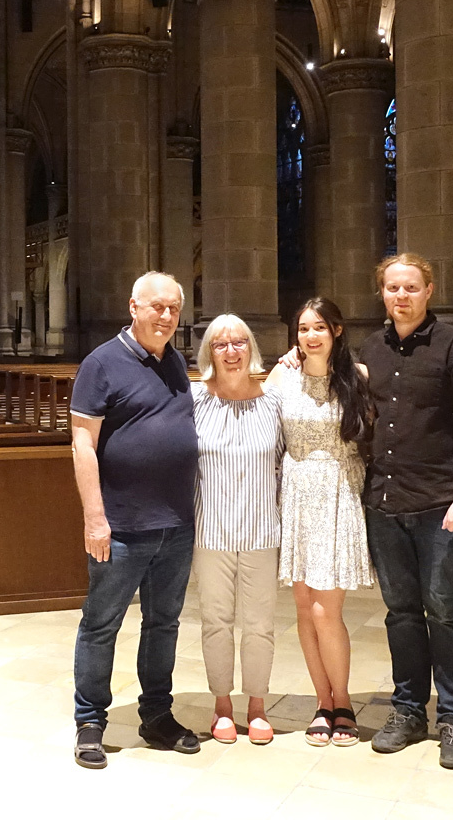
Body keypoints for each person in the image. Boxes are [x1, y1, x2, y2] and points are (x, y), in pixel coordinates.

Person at [360, 253, 453, 769]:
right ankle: (409, 710)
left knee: (446, 612)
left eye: (411, 287)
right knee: (401, 613)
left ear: (429, 289)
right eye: (393, 288)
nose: (401, 296)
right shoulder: (371, 346)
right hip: (386, 503)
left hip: (441, 506)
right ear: (383, 294)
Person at [69, 271, 200, 769]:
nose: (166, 316)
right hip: (121, 526)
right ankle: (90, 722)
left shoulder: (175, 364)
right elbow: (83, 443)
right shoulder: (101, 363)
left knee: (163, 624)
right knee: (101, 624)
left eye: (173, 308)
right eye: (156, 307)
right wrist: (94, 517)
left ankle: (157, 715)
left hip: (175, 523)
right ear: (133, 307)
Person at [266, 297, 374, 748]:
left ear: (337, 331)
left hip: (337, 492)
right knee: (302, 611)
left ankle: (343, 702)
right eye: (303, 328)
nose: (310, 337)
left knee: (325, 611)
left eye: (319, 329)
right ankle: (322, 703)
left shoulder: (358, 376)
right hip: (294, 493)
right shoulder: (281, 375)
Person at [191, 314, 283, 745]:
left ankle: (258, 706)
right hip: (211, 530)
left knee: (261, 623)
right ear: (210, 351)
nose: (231, 351)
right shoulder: (193, 400)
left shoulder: (274, 401)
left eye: (239, 343)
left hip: (263, 529)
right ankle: (222, 705)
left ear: (251, 349)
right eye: (221, 344)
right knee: (215, 621)